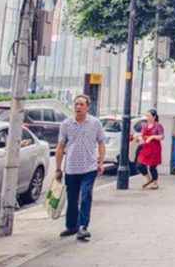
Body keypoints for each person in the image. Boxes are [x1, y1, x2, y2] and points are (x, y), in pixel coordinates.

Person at [55, 94, 105, 241]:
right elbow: (60, 146)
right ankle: (71, 225)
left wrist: (101, 162)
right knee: (72, 198)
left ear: (88, 107)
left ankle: (83, 226)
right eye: (76, 104)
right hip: (71, 168)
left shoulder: (95, 123)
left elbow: (101, 143)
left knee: (85, 196)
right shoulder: (66, 124)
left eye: (81, 104)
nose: (78, 107)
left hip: (89, 167)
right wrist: (58, 168)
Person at [136, 109, 164, 189]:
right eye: (147, 115)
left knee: (152, 166)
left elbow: (161, 136)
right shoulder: (144, 126)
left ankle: (155, 183)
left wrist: (152, 137)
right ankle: (149, 179)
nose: (147, 117)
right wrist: (138, 139)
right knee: (140, 165)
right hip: (146, 148)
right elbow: (142, 136)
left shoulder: (158, 126)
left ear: (154, 117)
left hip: (155, 148)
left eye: (149, 115)